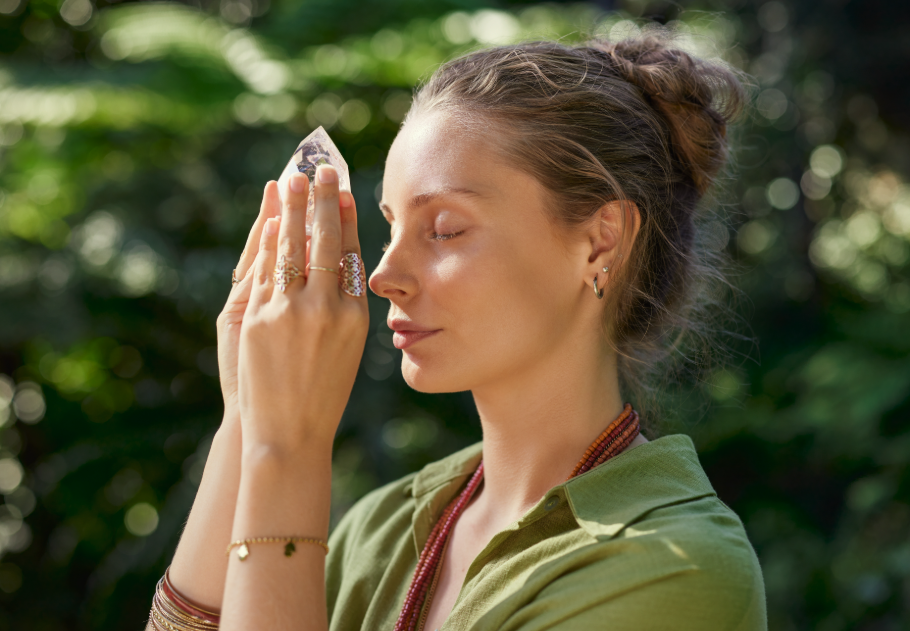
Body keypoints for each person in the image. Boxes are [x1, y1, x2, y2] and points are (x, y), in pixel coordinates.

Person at [147, 36, 767, 631]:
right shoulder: (380, 531)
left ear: (599, 240)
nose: (385, 274)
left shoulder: (671, 565)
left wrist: (289, 448)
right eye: (390, 228)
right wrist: (248, 419)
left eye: (443, 228)